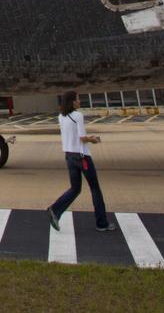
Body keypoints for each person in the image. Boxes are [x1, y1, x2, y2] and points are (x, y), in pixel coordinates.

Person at [48, 90, 116, 233]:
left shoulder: (61, 116)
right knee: (95, 189)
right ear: (73, 102)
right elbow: (81, 137)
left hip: (69, 156)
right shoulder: (78, 115)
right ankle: (102, 223)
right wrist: (93, 139)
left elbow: (73, 136)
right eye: (78, 99)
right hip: (82, 156)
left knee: (75, 189)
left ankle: (54, 210)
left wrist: (87, 138)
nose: (80, 102)